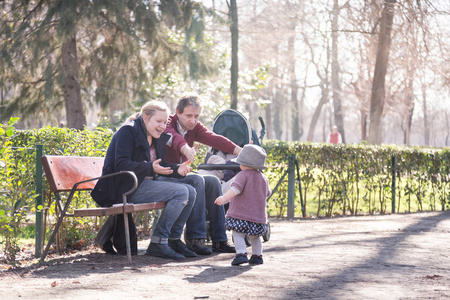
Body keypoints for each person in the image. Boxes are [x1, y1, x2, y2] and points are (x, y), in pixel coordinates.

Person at [91, 100, 198, 260]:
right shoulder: (128, 132)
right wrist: (150, 167)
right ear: (146, 118)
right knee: (181, 192)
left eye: (164, 122)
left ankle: (173, 240)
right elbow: (121, 164)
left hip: (142, 184)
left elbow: (159, 164)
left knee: (191, 190)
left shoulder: (155, 136)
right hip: (124, 187)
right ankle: (158, 243)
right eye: (159, 121)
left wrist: (177, 169)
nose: (162, 126)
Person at [164, 93, 241, 254]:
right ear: (178, 112)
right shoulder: (167, 123)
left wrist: (240, 151)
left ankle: (219, 239)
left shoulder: (194, 127)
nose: (193, 120)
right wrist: (185, 148)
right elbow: (175, 137)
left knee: (212, 182)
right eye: (188, 116)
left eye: (196, 116)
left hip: (181, 174)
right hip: (166, 173)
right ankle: (195, 239)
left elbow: (214, 138)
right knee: (197, 180)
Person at [214, 144, 271, 265]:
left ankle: (241, 254)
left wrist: (223, 198)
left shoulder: (242, 175)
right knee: (255, 237)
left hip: (241, 214)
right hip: (258, 216)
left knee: (237, 233)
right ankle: (257, 256)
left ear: (243, 164)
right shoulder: (263, 178)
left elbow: (235, 190)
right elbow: (267, 193)